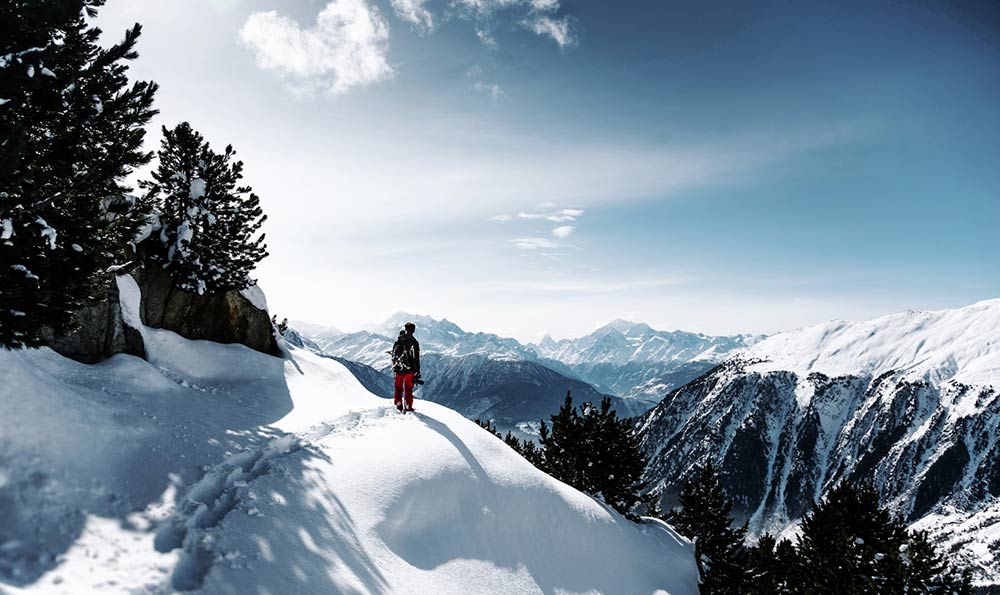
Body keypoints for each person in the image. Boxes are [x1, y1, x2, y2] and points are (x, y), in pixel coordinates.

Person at [391, 322, 420, 412]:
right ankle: (408, 405)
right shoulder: (414, 342)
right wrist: (417, 370)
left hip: (399, 368)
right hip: (410, 370)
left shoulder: (398, 341)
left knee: (398, 387)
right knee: (408, 388)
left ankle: (398, 404)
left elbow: (393, 355)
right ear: (413, 330)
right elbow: (416, 357)